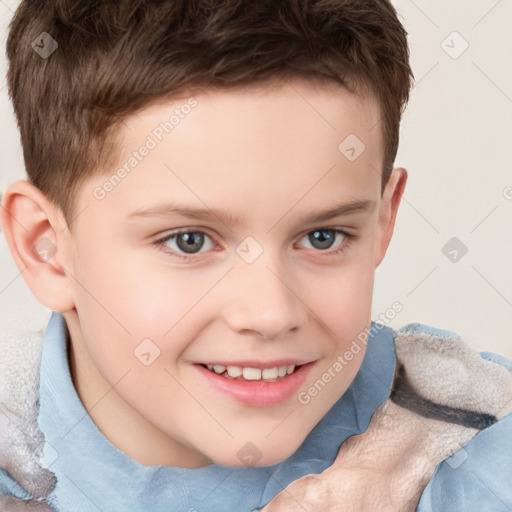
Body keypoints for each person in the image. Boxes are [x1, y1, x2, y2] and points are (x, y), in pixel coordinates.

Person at [0, 1, 510, 511]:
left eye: (323, 236)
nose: (270, 313)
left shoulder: (481, 460)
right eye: (189, 241)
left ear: (381, 221)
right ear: (46, 249)